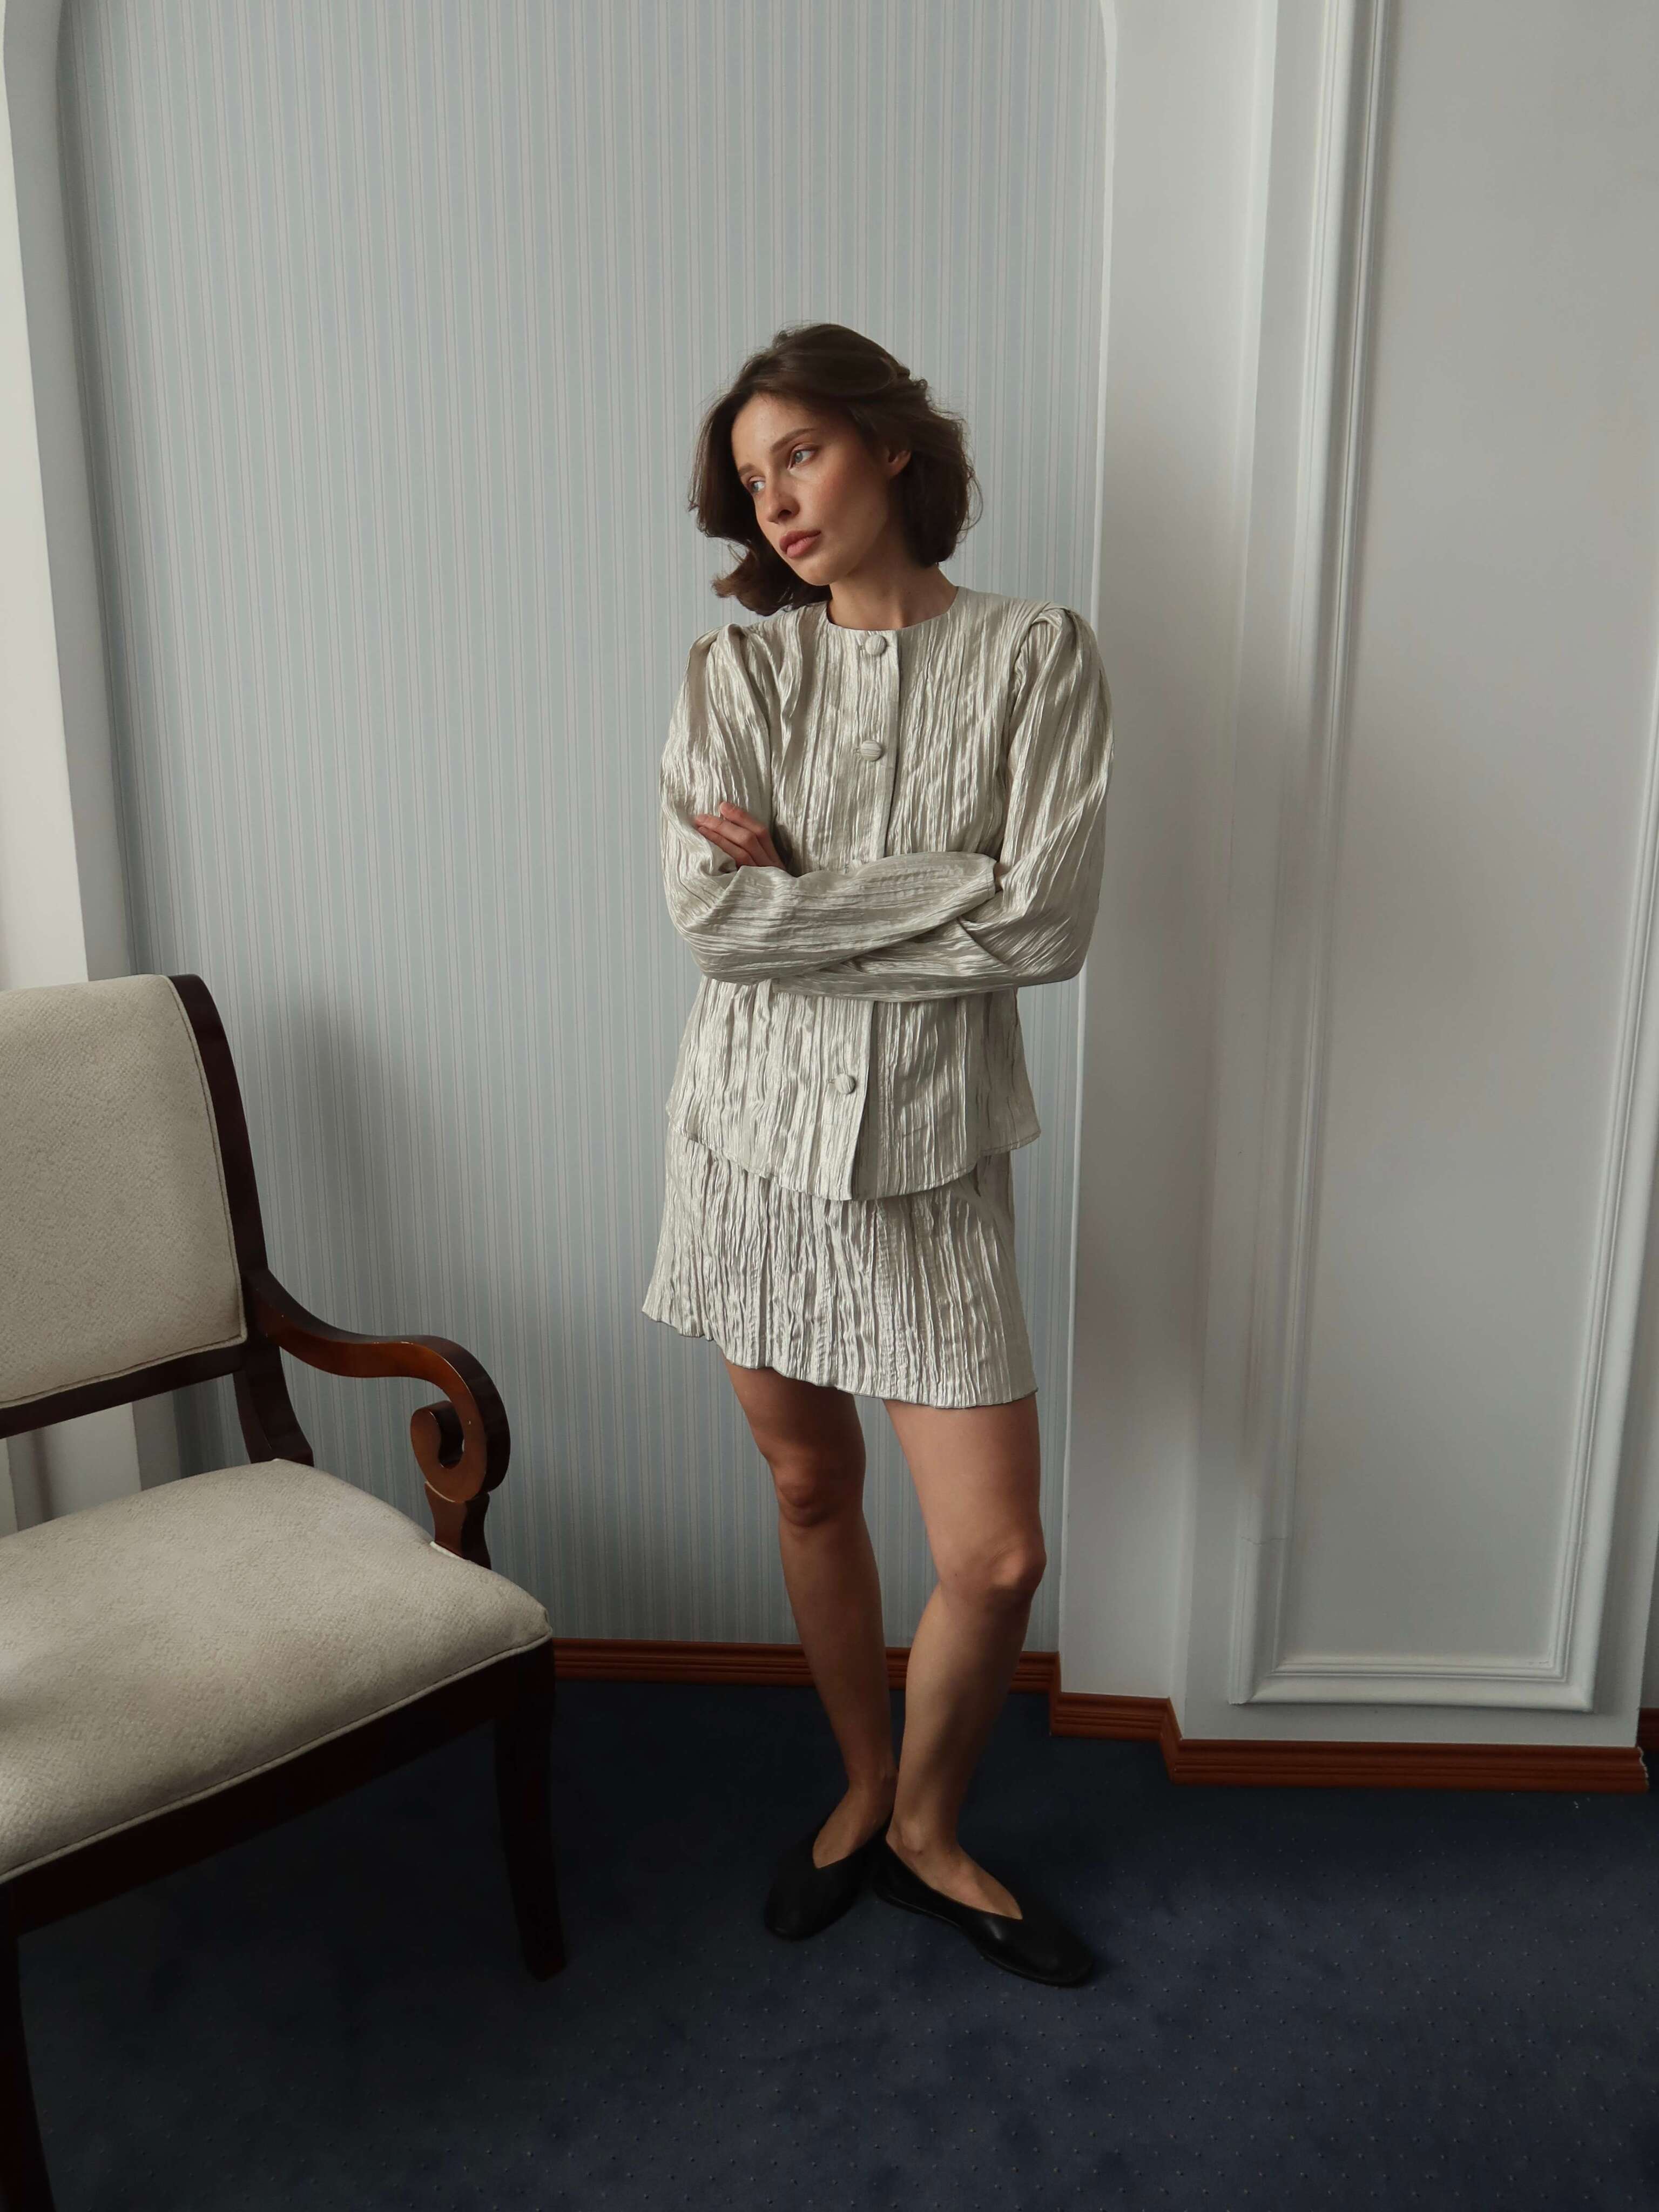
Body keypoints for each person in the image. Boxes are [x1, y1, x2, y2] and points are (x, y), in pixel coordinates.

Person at [642, 321, 1112, 1987]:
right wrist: (947, 882)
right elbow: (713, 924)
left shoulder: (1039, 655)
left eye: (802, 453)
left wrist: (807, 892)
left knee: (995, 1555)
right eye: (751, 477)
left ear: (890, 445)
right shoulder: (735, 679)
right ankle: (861, 1788)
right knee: (808, 1485)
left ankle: (927, 1826)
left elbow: (1047, 925)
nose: (776, 500)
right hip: (752, 1148)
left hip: (933, 1160)